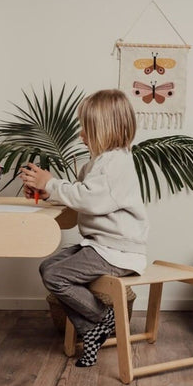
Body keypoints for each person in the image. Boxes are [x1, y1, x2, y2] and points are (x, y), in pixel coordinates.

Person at [21, 89, 149, 367]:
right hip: (100, 246)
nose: (81, 135)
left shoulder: (116, 162)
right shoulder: (100, 162)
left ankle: (103, 319)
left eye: (87, 129)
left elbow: (89, 199)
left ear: (106, 129)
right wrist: (48, 193)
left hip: (117, 251)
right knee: (48, 268)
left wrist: (51, 183)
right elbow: (82, 193)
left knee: (55, 274)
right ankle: (92, 330)